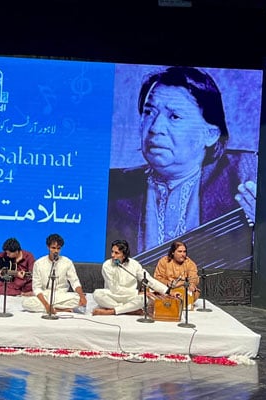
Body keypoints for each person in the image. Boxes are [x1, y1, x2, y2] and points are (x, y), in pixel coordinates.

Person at [106, 66, 257, 254]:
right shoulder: (112, 187)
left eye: (174, 116)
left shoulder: (246, 176)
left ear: (210, 134)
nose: (155, 127)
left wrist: (265, 229)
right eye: (149, 112)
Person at [92, 239, 169, 316]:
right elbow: (114, 289)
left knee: (144, 299)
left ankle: (112, 311)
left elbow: (148, 280)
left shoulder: (134, 264)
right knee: (97, 294)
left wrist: (167, 291)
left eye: (116, 253)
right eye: (112, 252)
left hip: (130, 297)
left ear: (124, 255)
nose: (112, 255)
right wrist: (137, 292)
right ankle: (129, 310)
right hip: (113, 296)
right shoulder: (107, 265)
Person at [22, 233, 87, 313]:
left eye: (58, 248)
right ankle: (58, 309)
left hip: (61, 295)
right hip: (45, 295)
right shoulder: (38, 263)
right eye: (53, 248)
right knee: (26, 303)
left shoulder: (67, 262)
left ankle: (52, 308)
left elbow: (75, 282)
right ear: (48, 247)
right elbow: (36, 288)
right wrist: (46, 304)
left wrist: (81, 296)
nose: (56, 251)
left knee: (78, 299)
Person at [153, 241, 200, 307]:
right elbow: (157, 278)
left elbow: (193, 277)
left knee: (192, 292)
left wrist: (191, 284)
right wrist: (167, 283)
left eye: (184, 251)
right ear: (172, 252)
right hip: (167, 290)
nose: (183, 254)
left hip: (184, 290)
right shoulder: (164, 261)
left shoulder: (189, 263)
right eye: (180, 251)